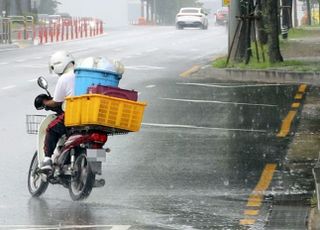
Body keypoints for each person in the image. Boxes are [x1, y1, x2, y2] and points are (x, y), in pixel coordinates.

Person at [41, 50, 75, 171]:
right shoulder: (81, 74)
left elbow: (57, 102)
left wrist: (44, 102)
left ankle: (47, 160)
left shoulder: (65, 78)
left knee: (51, 129)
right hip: (92, 116)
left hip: (73, 115)